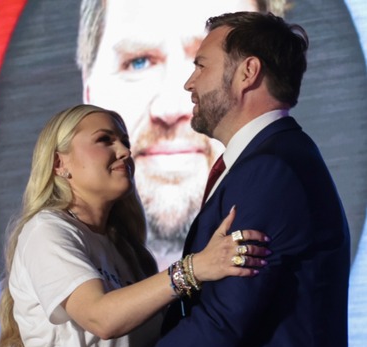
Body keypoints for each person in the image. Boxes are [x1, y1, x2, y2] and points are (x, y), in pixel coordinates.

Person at [48, 12, 351, 347]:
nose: (189, 84)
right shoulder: (261, 163)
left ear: (247, 72)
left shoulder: (271, 170)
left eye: (200, 65)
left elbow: (226, 318)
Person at [0, 103, 270, 347]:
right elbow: (101, 318)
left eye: (124, 141)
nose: (124, 151)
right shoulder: (47, 230)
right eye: (105, 140)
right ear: (60, 164)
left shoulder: (128, 251)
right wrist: (193, 269)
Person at [77, 0, 287, 268]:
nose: (170, 109)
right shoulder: (53, 243)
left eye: (210, 65)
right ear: (89, 92)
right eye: (138, 62)